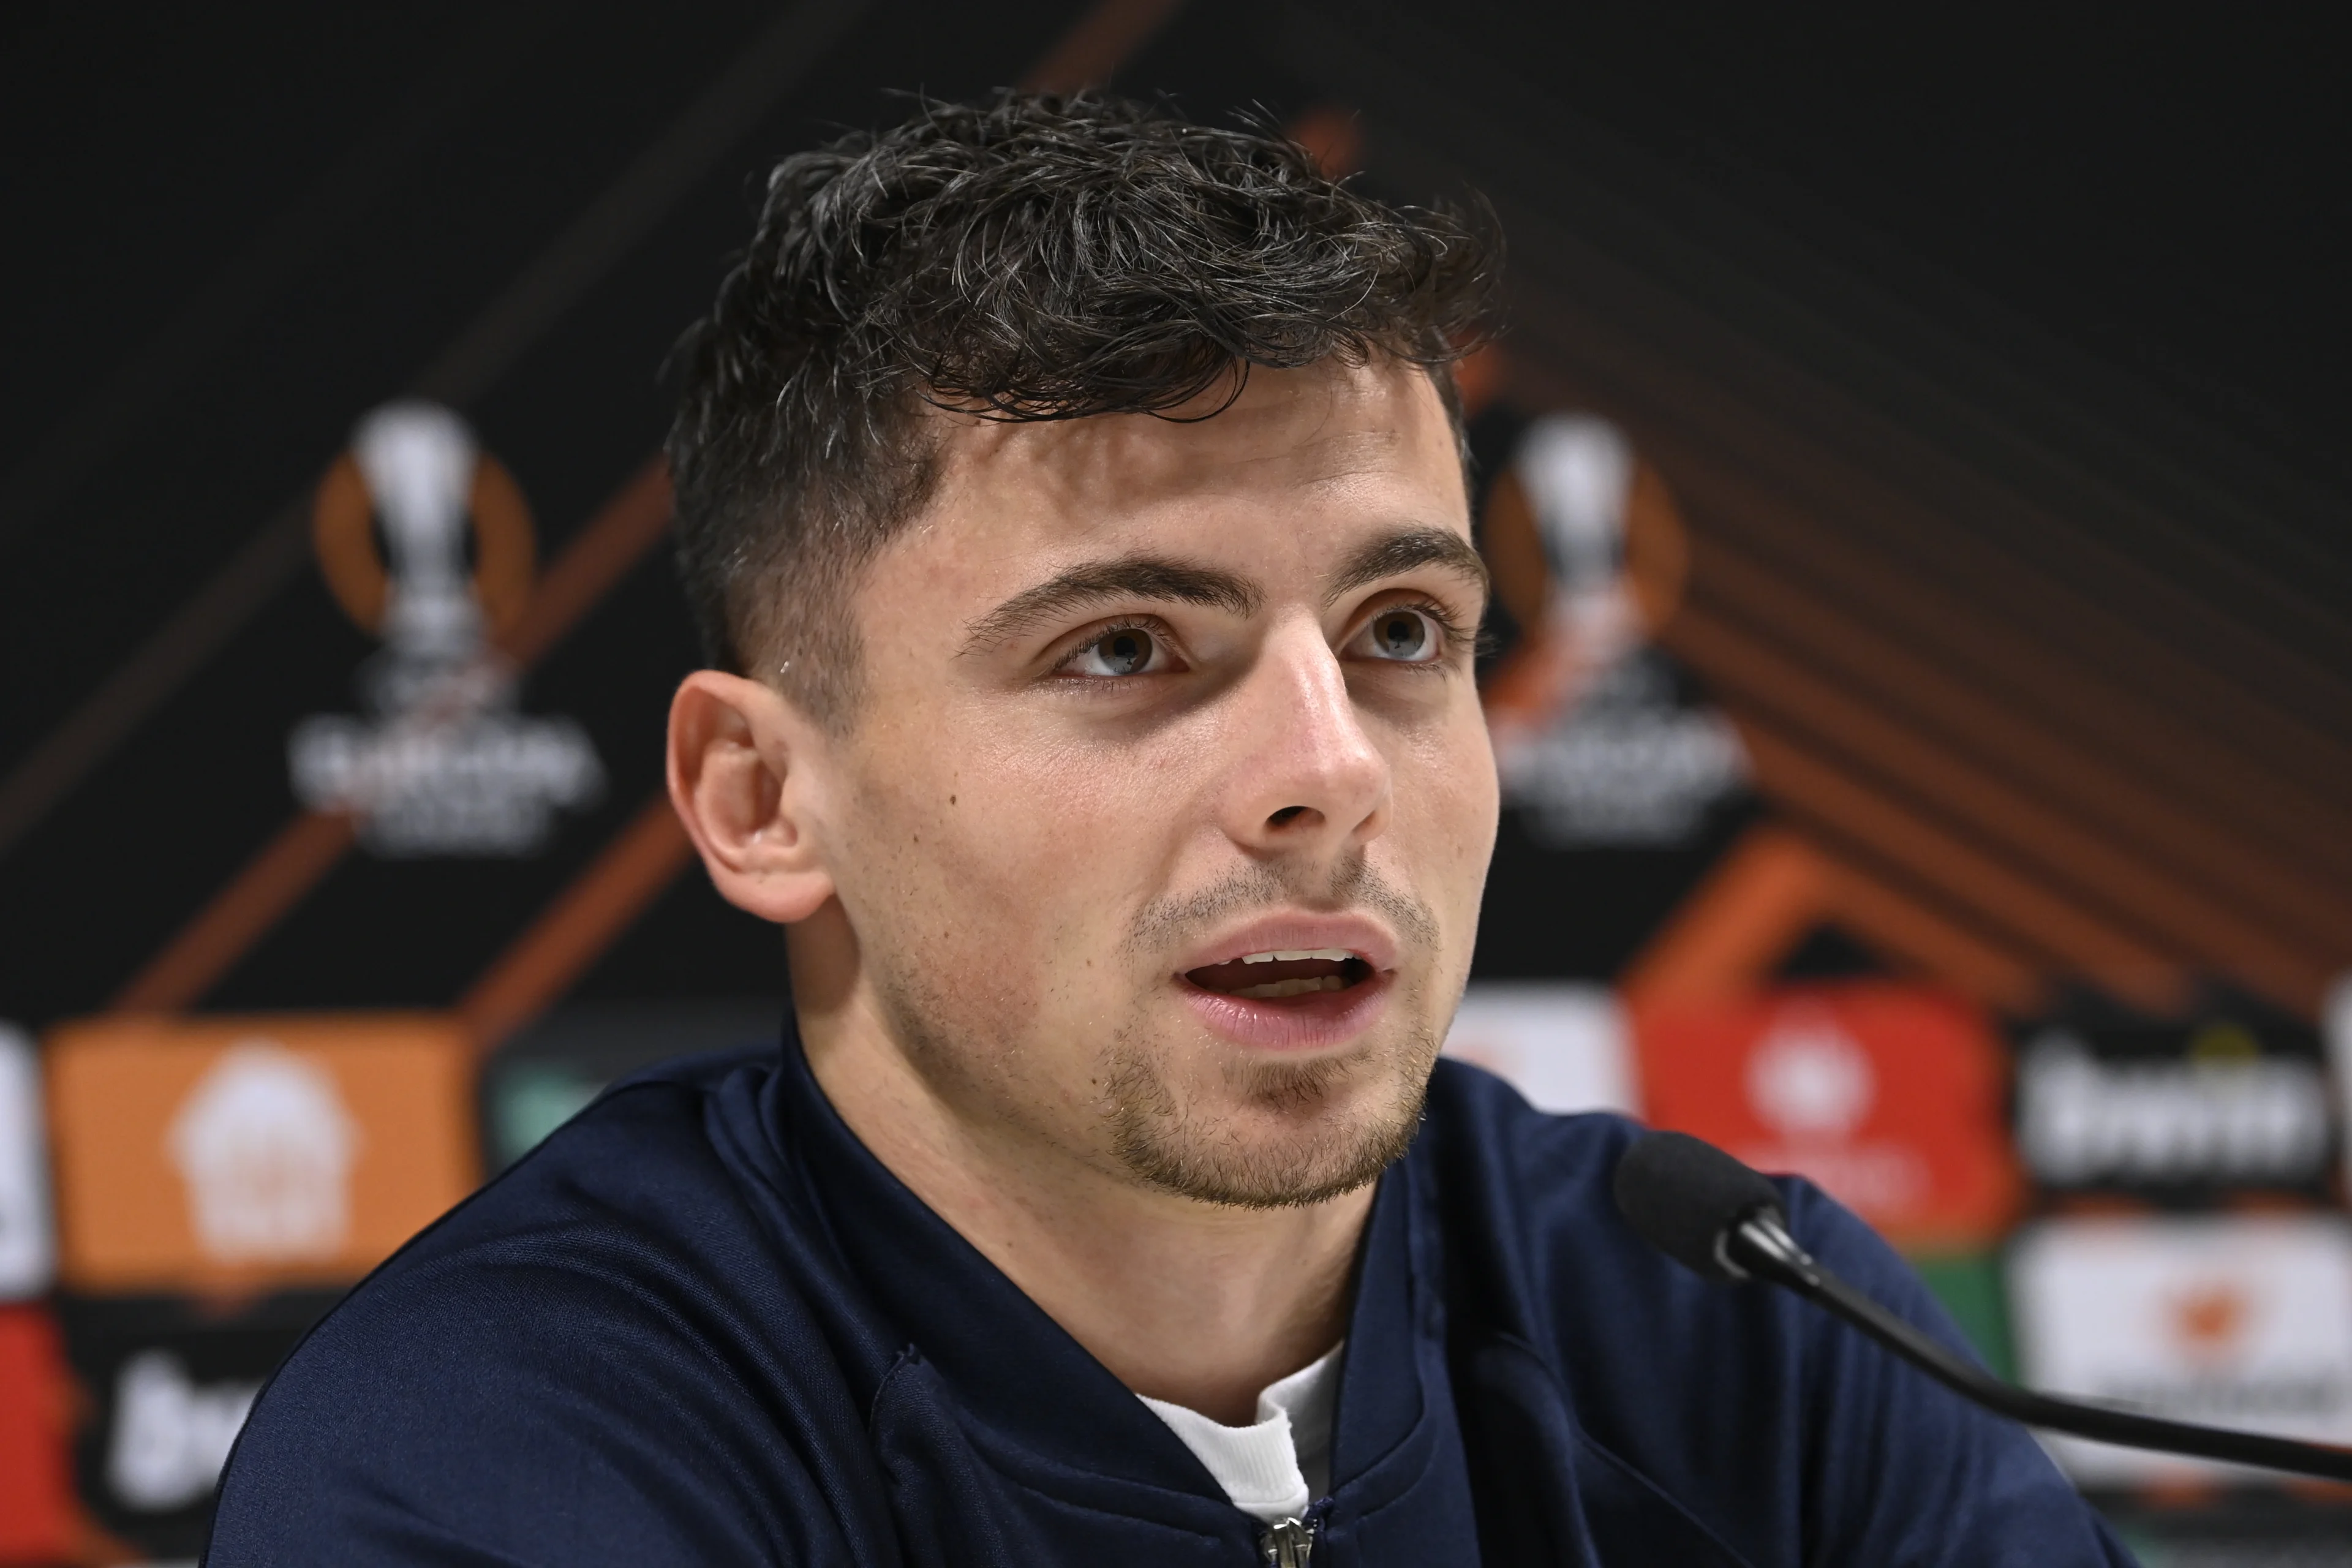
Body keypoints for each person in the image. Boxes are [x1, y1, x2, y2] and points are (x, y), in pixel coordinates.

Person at [208, 94, 2135, 1566]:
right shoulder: (503, 1446)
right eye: (1126, 647)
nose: (1332, 764)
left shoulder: (1732, 1334)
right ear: (763, 797)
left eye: (1403, 633)